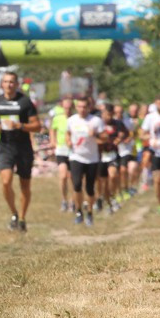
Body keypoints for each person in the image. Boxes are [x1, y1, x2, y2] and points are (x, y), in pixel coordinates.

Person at [0, 72, 41, 232]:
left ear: (17, 84)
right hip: (5, 146)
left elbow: (37, 126)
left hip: (23, 147)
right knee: (5, 181)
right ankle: (14, 213)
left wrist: (20, 126)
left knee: (25, 186)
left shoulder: (25, 102)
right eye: (5, 82)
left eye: (12, 82)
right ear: (1, 84)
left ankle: (23, 218)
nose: (9, 85)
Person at [66, 96, 106, 226]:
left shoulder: (96, 121)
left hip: (92, 158)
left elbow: (105, 138)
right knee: (76, 184)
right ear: (76, 107)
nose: (82, 109)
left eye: (85, 107)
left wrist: (95, 134)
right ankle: (78, 211)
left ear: (89, 107)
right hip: (76, 156)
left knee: (89, 188)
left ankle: (89, 213)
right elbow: (67, 133)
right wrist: (68, 141)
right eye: (80, 107)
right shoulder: (71, 120)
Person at [99, 104, 128, 214]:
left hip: (112, 154)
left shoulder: (118, 123)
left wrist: (119, 139)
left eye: (111, 115)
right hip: (100, 156)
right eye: (107, 114)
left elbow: (124, 134)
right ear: (103, 114)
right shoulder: (98, 124)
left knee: (113, 175)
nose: (109, 117)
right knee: (103, 182)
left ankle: (112, 196)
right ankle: (107, 200)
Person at [50, 98, 74, 211]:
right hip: (61, 149)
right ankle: (64, 200)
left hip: (74, 150)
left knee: (73, 178)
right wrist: (53, 141)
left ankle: (73, 200)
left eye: (69, 108)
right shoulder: (58, 118)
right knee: (63, 175)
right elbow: (52, 129)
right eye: (65, 108)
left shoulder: (75, 119)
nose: (67, 110)